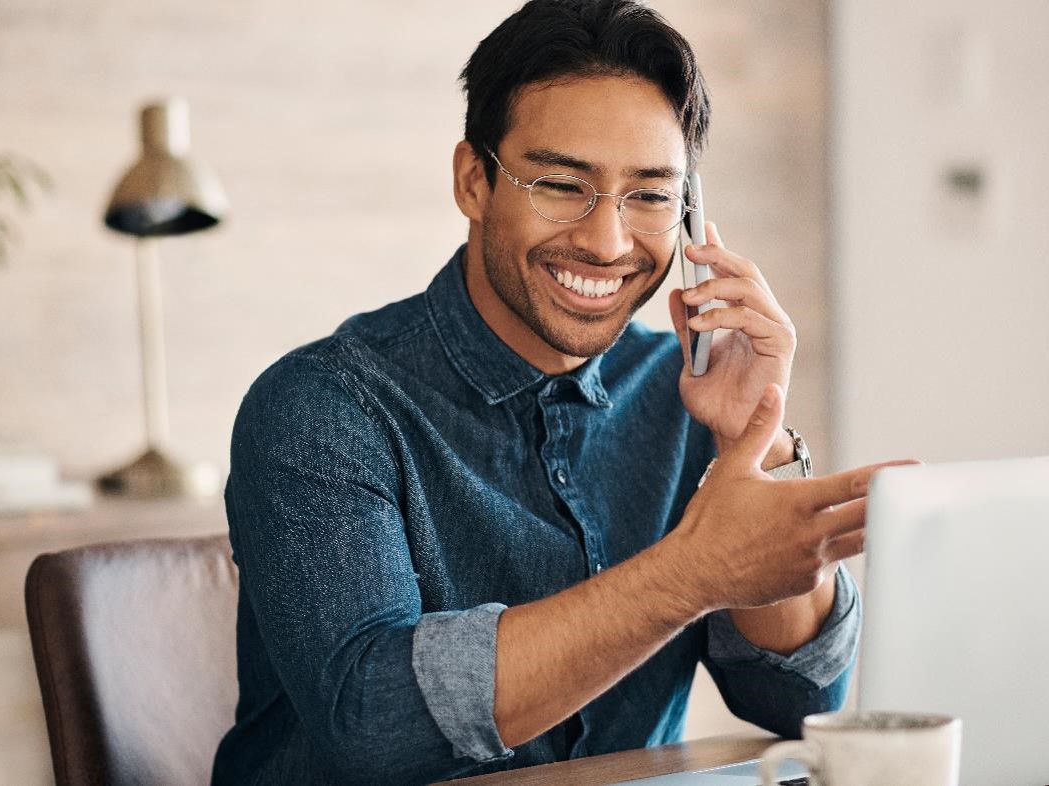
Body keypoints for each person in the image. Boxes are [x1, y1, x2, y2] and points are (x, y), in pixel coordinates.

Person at [212, 1, 908, 783]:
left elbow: (798, 702)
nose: (606, 242)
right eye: (559, 184)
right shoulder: (322, 407)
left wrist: (754, 439)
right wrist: (689, 573)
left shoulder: (686, 393)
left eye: (648, 197)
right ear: (473, 181)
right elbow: (373, 722)